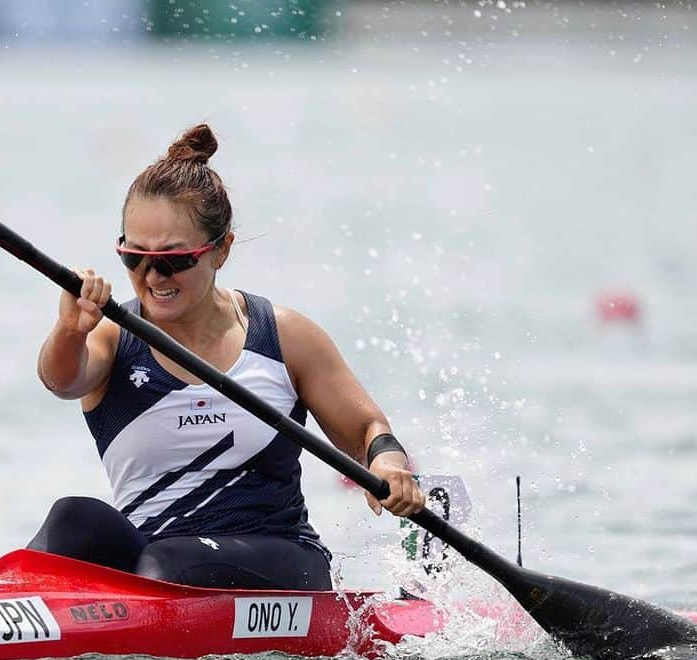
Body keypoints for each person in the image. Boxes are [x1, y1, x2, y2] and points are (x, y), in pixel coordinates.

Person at [30, 124, 424, 590]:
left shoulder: (284, 336)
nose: (153, 275)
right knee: (72, 519)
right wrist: (69, 330)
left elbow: (365, 432)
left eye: (174, 258)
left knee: (168, 564)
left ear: (221, 251)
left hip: (281, 559)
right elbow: (63, 381)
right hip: (153, 563)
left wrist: (387, 466)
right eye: (135, 256)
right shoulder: (112, 337)